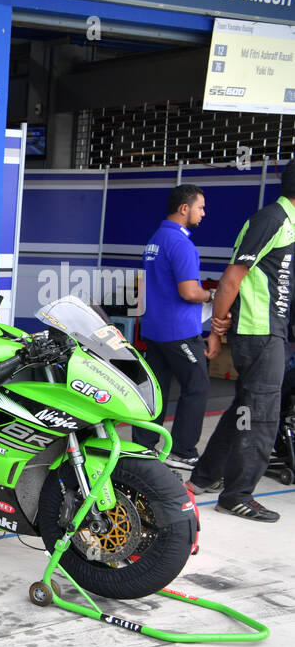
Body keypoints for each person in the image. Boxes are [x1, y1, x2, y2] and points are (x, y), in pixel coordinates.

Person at [190, 162, 295, 522]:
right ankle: (237, 494)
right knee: (262, 417)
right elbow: (232, 277)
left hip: (269, 330)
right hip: (260, 332)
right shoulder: (274, 219)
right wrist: (216, 331)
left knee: (245, 410)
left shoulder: (286, 221)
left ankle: (204, 477)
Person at [133, 184, 213, 469]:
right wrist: (211, 295)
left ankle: (142, 446)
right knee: (197, 387)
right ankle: (183, 450)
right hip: (179, 333)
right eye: (200, 207)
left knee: (156, 389)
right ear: (184, 208)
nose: (203, 213)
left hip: (154, 330)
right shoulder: (182, 244)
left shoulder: (156, 239)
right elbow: (190, 292)